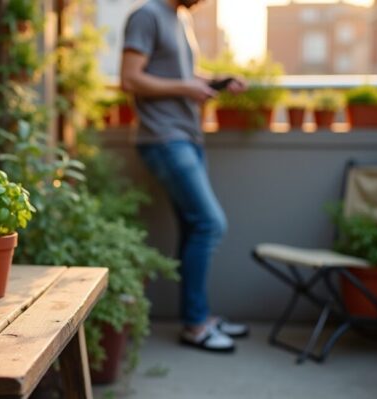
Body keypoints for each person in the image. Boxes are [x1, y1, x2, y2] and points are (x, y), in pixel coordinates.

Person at [121, 0, 248, 352]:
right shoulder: (146, 16)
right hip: (164, 138)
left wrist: (217, 81)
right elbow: (130, 78)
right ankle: (196, 324)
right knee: (210, 224)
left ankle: (199, 316)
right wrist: (186, 90)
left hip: (187, 137)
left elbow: (181, 73)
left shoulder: (180, 18)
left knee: (194, 227)